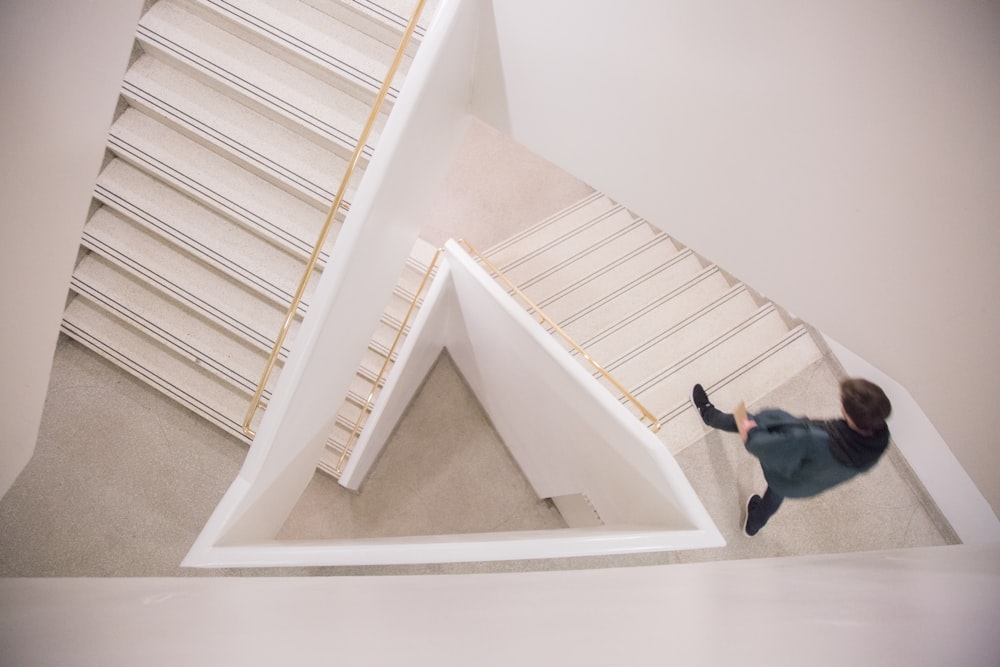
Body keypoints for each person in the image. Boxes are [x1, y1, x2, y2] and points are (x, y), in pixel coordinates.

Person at [691, 378, 892, 537]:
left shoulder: (812, 440)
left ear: (848, 413)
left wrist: (751, 432)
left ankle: (708, 414)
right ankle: (754, 525)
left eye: (842, 403)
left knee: (743, 420)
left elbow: (765, 447)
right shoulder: (876, 442)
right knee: (777, 492)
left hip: (789, 470)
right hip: (804, 481)